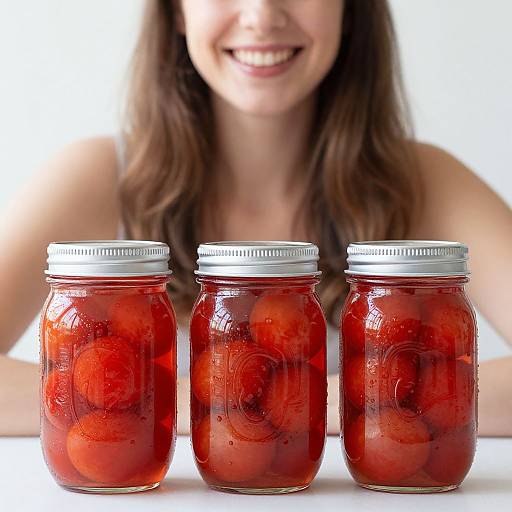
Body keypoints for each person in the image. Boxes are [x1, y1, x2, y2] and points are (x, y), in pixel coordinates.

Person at [0, 0, 511, 437]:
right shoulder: (95, 176)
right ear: (176, 11)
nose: (262, 17)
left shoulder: (426, 180)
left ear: (350, 8)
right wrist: (229, 405)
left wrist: (218, 403)